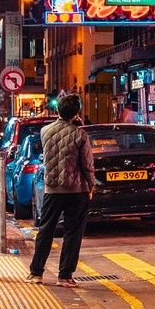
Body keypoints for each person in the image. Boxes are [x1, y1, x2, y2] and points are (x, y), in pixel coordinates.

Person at [29, 94, 95, 287]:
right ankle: (64, 276)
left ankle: (36, 272)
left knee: (46, 230)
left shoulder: (45, 131)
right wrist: (91, 185)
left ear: (57, 110)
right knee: (73, 233)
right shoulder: (80, 134)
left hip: (52, 189)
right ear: (76, 113)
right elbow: (87, 164)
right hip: (76, 190)